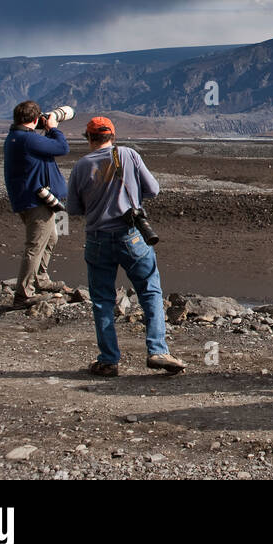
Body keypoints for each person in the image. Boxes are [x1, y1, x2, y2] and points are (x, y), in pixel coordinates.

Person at [65, 117, 186, 377]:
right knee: (150, 292)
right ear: (113, 136)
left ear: (88, 138)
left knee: (102, 301)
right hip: (132, 236)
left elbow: (73, 209)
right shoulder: (128, 154)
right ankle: (157, 351)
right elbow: (153, 189)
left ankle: (108, 360)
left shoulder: (81, 166)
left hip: (97, 238)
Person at [3, 100, 68, 307]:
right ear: (34, 119)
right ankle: (24, 295)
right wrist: (53, 128)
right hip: (36, 202)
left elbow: (45, 150)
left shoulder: (17, 137)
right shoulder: (26, 139)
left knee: (51, 238)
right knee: (35, 246)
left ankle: (41, 279)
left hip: (29, 199)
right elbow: (61, 147)